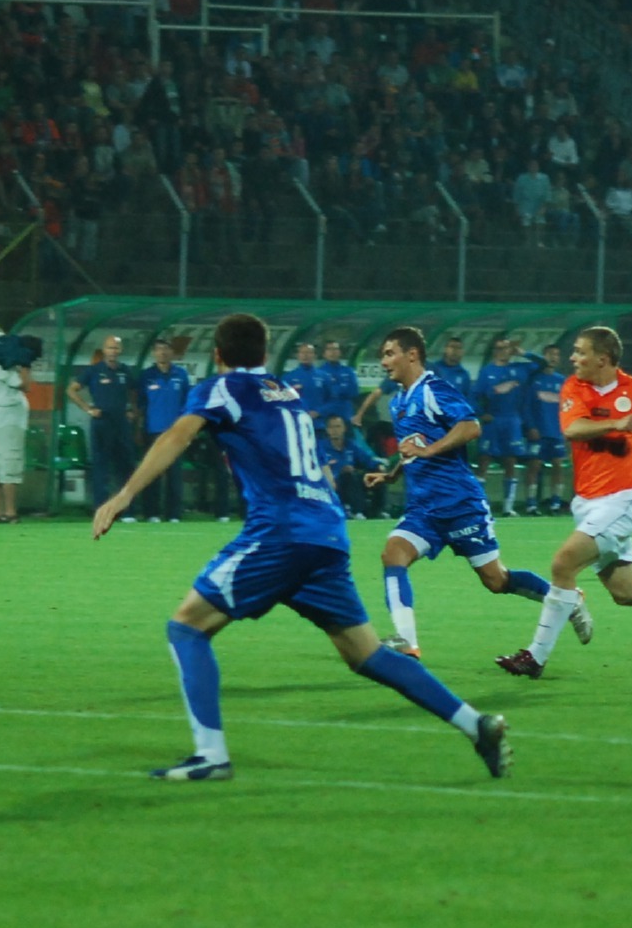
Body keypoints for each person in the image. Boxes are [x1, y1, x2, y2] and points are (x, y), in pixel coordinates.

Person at [89, 312, 509, 782]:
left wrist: (124, 495)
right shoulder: (284, 391)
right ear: (265, 353)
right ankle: (475, 724)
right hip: (327, 532)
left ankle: (210, 756)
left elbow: (177, 435)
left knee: (187, 628)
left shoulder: (222, 388)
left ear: (218, 354)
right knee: (366, 655)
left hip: (280, 532)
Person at [496, 326, 632, 678]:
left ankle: (534, 657)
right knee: (626, 591)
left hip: (621, 502)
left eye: (580, 352)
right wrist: (617, 422)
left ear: (603, 358)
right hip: (587, 502)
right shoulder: (574, 387)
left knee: (563, 564)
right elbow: (573, 429)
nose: (573, 358)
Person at [362, 327, 582, 660]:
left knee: (496, 580)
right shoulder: (399, 401)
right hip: (424, 509)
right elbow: (413, 447)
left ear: (412, 355)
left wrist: (430, 450)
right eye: (383, 355)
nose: (384, 361)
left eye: (389, 353)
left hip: (459, 504)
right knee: (393, 555)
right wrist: (391, 475)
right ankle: (407, 641)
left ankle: (568, 598)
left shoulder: (434, 389)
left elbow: (470, 426)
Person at [66, 335, 136, 515]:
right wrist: (88, 408)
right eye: (110, 348)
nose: (113, 351)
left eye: (116, 348)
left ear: (120, 350)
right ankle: (101, 510)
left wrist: (132, 410)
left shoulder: (125, 371)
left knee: (125, 467)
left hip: (121, 423)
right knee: (101, 467)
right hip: (102, 423)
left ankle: (126, 511)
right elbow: (71, 390)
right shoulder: (94, 370)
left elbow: (134, 392)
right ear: (104, 350)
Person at [474, 338, 541, 517]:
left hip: (512, 421)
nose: (503, 351)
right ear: (494, 351)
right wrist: (481, 414)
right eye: (500, 348)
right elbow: (474, 396)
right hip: (493, 421)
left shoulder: (520, 369)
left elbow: (542, 363)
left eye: (506, 348)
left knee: (510, 462)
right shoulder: (487, 371)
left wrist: (523, 353)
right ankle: (479, 507)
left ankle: (508, 507)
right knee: (484, 461)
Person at [138, 339, 192, 522]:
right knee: (152, 473)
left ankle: (173, 514)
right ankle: (151, 513)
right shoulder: (146, 375)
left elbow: (188, 403)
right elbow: (139, 404)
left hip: (176, 433)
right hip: (152, 431)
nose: (162, 352)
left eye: (165, 349)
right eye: (159, 349)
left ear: (171, 352)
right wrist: (138, 428)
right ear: (154, 353)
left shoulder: (181, 374)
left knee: (174, 475)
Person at [0, 355, 30, 524]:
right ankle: (10, 512)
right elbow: (25, 385)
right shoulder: (2, 369)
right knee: (10, 465)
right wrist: (25, 367)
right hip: (8, 423)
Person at [524, 342, 568, 515]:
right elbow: (527, 405)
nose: (553, 358)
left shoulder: (561, 381)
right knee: (534, 465)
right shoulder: (534, 379)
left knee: (558, 465)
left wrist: (566, 427)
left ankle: (555, 503)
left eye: (556, 355)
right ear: (544, 357)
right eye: (550, 354)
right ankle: (531, 503)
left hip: (556, 431)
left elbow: (567, 407)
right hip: (539, 431)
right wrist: (531, 426)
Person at [318, 414, 382, 518]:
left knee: (377, 476)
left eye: (338, 426)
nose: (335, 430)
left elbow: (366, 459)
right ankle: (357, 512)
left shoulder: (350, 445)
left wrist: (379, 466)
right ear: (327, 430)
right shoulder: (321, 447)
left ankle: (378, 511)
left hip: (353, 481)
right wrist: (340, 471)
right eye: (331, 427)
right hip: (332, 484)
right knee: (348, 475)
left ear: (344, 428)